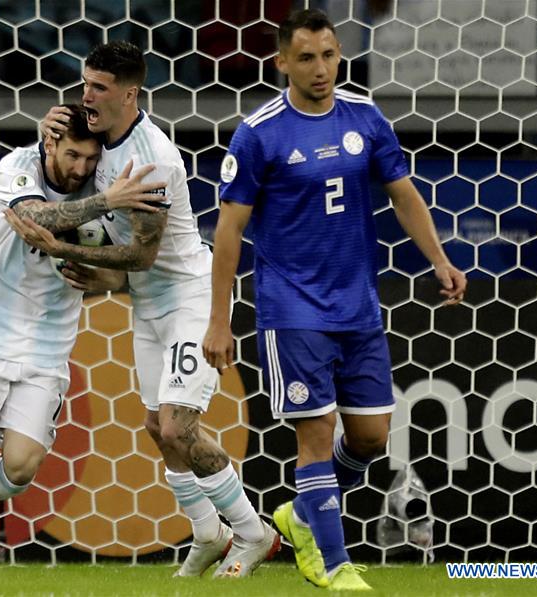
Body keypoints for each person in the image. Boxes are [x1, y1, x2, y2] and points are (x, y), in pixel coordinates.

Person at [202, 9, 467, 591]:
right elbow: (228, 234)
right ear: (282, 63)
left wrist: (440, 259)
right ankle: (333, 563)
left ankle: (300, 516)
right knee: (316, 433)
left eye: (328, 55)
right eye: (306, 58)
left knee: (370, 437)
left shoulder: (365, 116)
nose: (320, 69)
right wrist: (219, 320)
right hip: (291, 309)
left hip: (359, 307)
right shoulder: (259, 133)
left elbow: (403, 194)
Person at [21, 41, 280, 579]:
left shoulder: (153, 158)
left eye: (99, 87)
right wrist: (43, 133)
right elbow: (60, 167)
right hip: (146, 301)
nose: (85, 95)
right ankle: (207, 533)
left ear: (130, 93)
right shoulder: (92, 134)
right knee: (156, 427)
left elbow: (142, 253)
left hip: (189, 297)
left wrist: (61, 246)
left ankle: (254, 534)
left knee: (179, 427)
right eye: (85, 83)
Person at [0, 104, 164, 580]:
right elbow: (36, 218)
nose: (81, 169)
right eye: (73, 155)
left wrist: (103, 279)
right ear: (50, 143)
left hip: (49, 346)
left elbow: (125, 267)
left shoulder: (101, 186)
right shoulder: (18, 166)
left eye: (91, 160)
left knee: (21, 468)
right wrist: (107, 200)